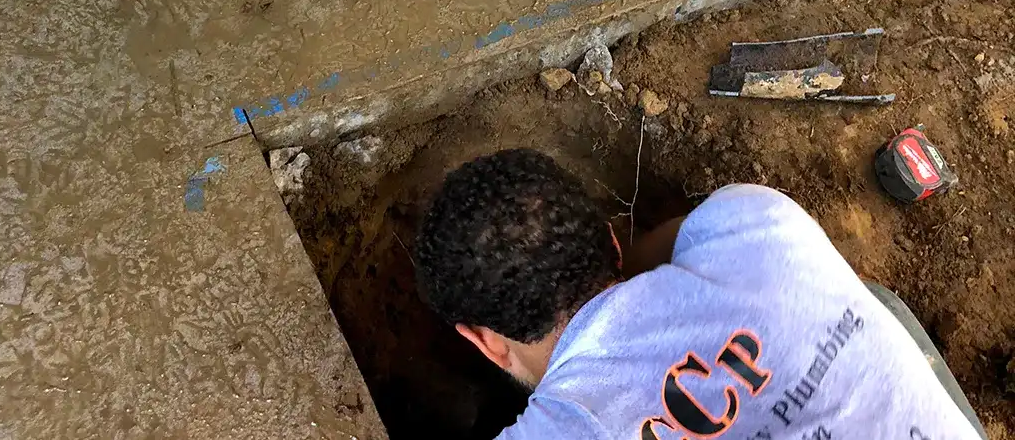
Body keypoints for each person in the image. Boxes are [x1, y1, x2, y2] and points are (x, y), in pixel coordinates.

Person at [414, 148, 985, 440]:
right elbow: (664, 245)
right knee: (874, 304)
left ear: (484, 342)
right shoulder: (757, 219)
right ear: (613, 242)